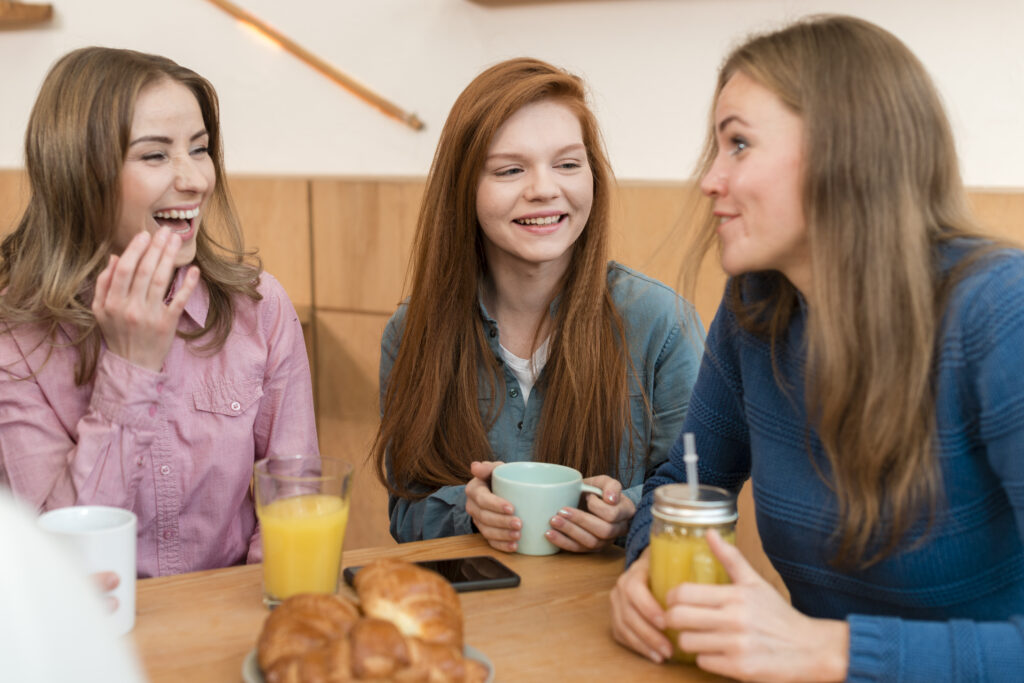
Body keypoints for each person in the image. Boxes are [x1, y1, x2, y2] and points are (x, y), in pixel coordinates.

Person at [610, 14, 1024, 681]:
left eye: (739, 143)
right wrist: (645, 570)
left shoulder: (1001, 311)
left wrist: (830, 651)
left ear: (847, 150)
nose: (710, 179)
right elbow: (680, 487)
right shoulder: (756, 309)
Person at [0, 47, 318, 578]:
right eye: (154, 156)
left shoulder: (260, 309)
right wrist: (130, 366)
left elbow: (296, 501)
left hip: (238, 631)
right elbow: (63, 567)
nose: (195, 179)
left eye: (200, 149)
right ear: (78, 174)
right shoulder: (16, 337)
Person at [371, 58, 703, 552]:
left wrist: (629, 515)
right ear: (465, 187)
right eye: (510, 169)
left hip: (608, 616)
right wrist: (471, 507)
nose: (545, 189)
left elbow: (698, 499)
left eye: (568, 164)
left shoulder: (663, 324)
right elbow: (405, 513)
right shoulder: (412, 331)